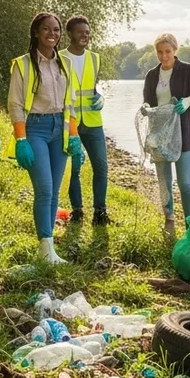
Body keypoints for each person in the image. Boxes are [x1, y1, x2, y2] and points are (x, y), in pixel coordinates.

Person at [9, 12, 84, 265]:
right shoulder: (23, 64)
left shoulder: (66, 64)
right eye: (46, 29)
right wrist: (21, 140)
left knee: (54, 192)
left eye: (56, 30)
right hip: (36, 129)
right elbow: (16, 105)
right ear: (36, 33)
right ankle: (44, 247)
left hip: (59, 130)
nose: (52, 34)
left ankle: (48, 249)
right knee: (44, 189)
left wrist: (74, 136)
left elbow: (70, 103)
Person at [141, 33, 190, 236]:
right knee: (164, 180)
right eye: (160, 52)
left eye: (168, 51)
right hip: (159, 134)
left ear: (175, 50)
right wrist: (145, 107)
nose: (164, 56)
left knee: (184, 182)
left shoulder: (186, 70)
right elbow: (148, 102)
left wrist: (187, 102)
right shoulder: (152, 75)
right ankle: (169, 220)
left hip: (183, 133)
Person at [63, 15, 109, 226]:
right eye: (80, 32)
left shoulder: (95, 58)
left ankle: (100, 212)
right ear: (70, 34)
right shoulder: (59, 57)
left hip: (93, 120)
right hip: (69, 121)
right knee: (74, 168)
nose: (85, 35)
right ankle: (77, 211)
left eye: (88, 32)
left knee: (101, 167)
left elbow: (92, 85)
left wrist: (100, 95)